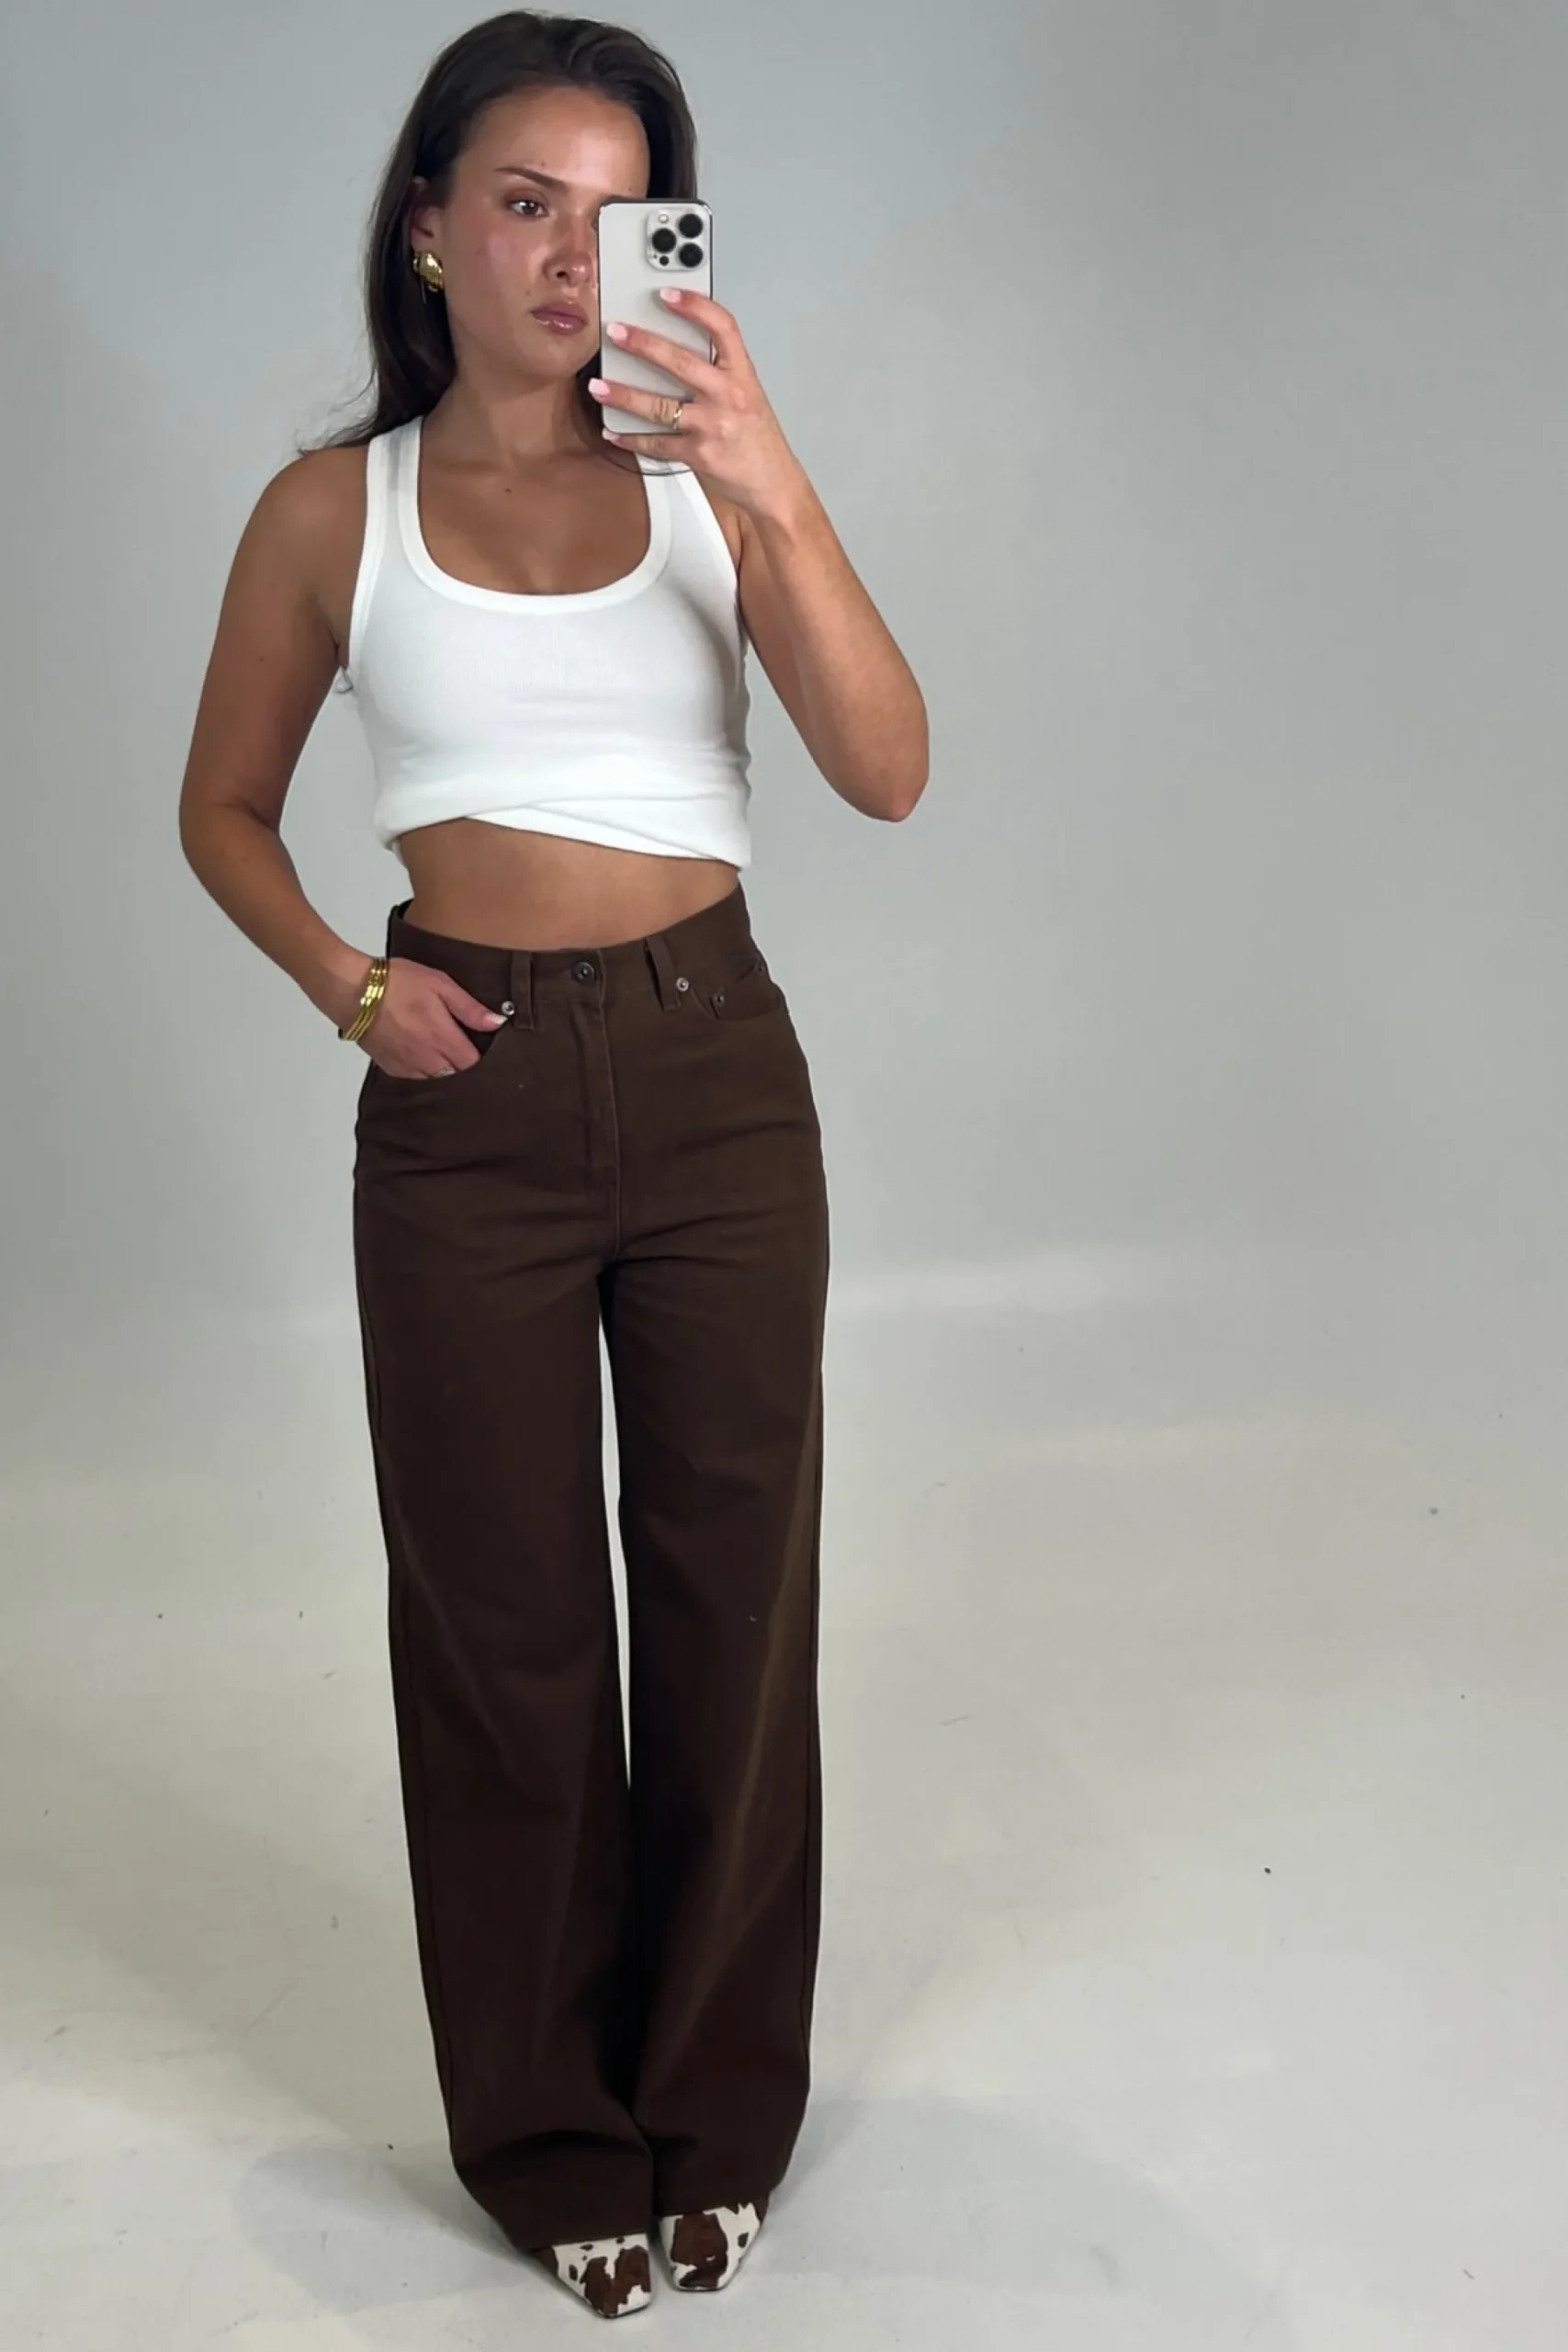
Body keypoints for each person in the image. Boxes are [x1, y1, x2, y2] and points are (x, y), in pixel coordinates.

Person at [177, 8, 927, 2322]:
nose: (569, 260)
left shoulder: (708, 482)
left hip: (716, 1081)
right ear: (429, 225)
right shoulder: (335, 511)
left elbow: (888, 766)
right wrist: (349, 982)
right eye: (524, 203)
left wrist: (770, 476)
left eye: (620, 217)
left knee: (729, 1602)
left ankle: (717, 2108)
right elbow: (220, 807)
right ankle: (545, 2131)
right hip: (467, 1108)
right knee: (502, 1630)